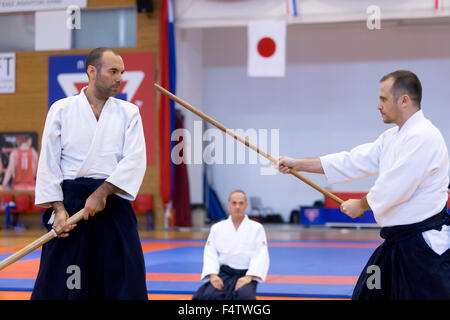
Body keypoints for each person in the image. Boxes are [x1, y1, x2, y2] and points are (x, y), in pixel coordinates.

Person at [277, 70, 450, 300]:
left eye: (383, 99)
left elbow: (395, 186)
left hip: (421, 250)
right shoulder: (392, 137)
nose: (378, 105)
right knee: (366, 294)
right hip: (394, 245)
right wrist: (298, 164)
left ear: (404, 100)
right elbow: (352, 161)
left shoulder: (424, 137)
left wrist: (361, 204)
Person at [31, 47, 148, 300]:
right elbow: (49, 162)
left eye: (122, 72)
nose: (119, 78)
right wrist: (58, 209)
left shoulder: (129, 112)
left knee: (124, 277)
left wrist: (103, 192)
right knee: (65, 282)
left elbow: (135, 160)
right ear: (92, 72)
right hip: (71, 206)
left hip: (112, 203)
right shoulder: (61, 109)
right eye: (113, 71)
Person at [193, 190, 270, 300]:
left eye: (241, 203)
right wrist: (213, 275)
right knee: (208, 296)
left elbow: (261, 254)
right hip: (224, 273)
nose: (237, 207)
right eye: (234, 203)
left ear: (246, 205)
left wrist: (249, 277)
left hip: (246, 273)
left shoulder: (257, 228)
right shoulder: (217, 228)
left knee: (244, 297)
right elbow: (210, 253)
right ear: (229, 205)